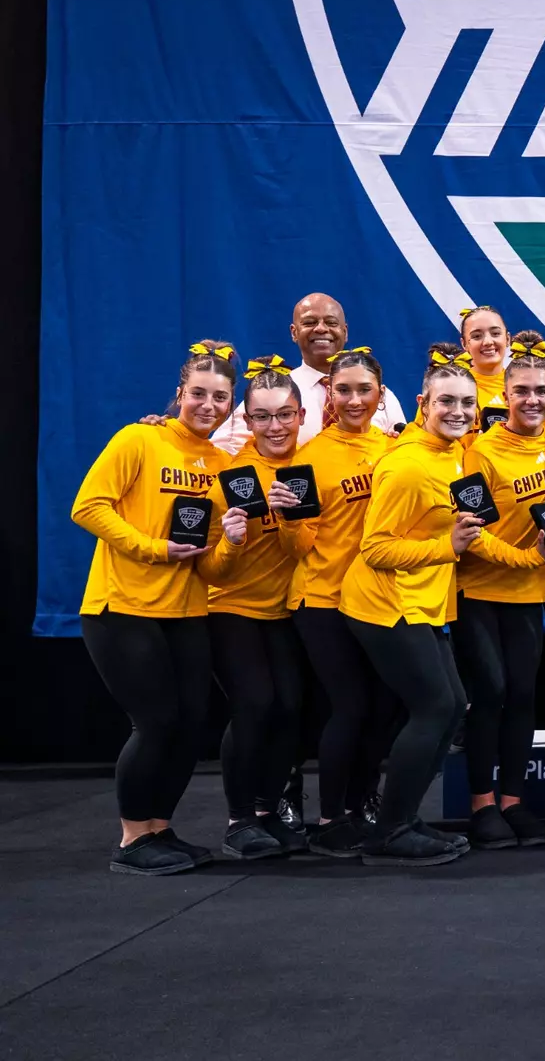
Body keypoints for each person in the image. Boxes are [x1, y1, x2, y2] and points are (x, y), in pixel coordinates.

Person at [339, 349, 545, 865]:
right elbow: (376, 549)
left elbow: (470, 536)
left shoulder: (455, 456)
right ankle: (389, 831)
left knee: (454, 705)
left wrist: (528, 558)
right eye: (446, 402)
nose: (457, 411)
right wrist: (445, 548)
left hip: (426, 602)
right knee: (435, 707)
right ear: (422, 404)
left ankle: (405, 820)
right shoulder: (408, 465)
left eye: (466, 402)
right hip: (383, 605)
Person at [72, 341, 240, 875]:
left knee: (190, 725)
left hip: (187, 611)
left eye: (219, 397)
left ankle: (160, 828)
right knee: (155, 722)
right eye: (198, 394)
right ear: (179, 395)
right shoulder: (139, 439)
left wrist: (231, 541)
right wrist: (152, 549)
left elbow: (210, 568)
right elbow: (88, 507)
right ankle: (131, 838)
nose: (208, 405)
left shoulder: (222, 465)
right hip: (122, 606)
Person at [453, 331, 545, 849]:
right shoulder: (480, 451)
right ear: (504, 394)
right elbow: (471, 536)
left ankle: (514, 801)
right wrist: (525, 558)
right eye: (521, 390)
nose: (532, 400)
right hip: (479, 591)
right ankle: (482, 805)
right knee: (492, 695)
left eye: (541, 391)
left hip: (530, 592)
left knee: (523, 697)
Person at [283, 347, 398, 856]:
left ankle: (362, 804)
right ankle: (330, 818)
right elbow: (298, 546)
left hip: (377, 599)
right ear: (328, 393)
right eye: (343, 389)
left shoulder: (395, 448)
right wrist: (289, 518)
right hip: (323, 598)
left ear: (380, 394)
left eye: (363, 389)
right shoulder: (306, 455)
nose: (354, 399)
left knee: (383, 709)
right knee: (348, 707)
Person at [199, 356, 311, 859]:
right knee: (254, 706)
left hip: (285, 610)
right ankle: (239, 820)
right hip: (231, 607)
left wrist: (287, 520)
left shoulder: (308, 471)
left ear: (302, 415)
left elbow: (304, 549)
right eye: (262, 416)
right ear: (245, 420)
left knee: (291, 708)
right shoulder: (229, 471)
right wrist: (232, 542)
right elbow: (211, 570)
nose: (275, 426)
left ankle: (271, 811)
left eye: (284, 414)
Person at [210, 294, 406, 453]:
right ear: (294, 332)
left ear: (345, 332)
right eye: (310, 322)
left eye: (331, 322)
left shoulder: (379, 396)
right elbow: (224, 449)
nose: (321, 329)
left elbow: (402, 449)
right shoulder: (275, 390)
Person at [457, 305, 512, 426]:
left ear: (508, 339)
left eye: (495, 333)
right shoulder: (449, 385)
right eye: (476, 336)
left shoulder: (525, 387)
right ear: (464, 344)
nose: (487, 342)